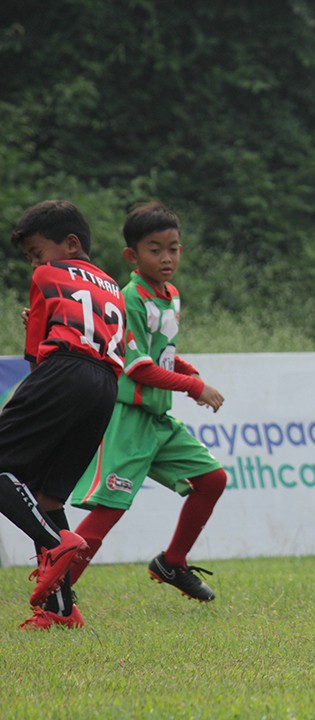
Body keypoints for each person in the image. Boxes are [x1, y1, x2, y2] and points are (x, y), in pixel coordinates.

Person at [64, 201, 227, 606]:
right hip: (128, 420)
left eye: (173, 247)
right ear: (132, 256)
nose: (167, 257)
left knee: (213, 479)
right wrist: (194, 387)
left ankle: (172, 562)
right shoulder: (129, 299)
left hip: (158, 420)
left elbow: (162, 354)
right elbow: (137, 368)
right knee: (108, 512)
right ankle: (55, 593)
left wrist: (188, 372)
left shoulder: (170, 296)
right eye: (155, 249)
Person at [0, 200, 125, 630]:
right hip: (106, 386)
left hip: (64, 371)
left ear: (70, 243)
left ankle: (54, 544)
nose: (35, 263)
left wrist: (36, 326)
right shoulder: (112, 286)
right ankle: (61, 611)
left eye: (37, 252)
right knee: (50, 496)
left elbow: (35, 354)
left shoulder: (47, 276)